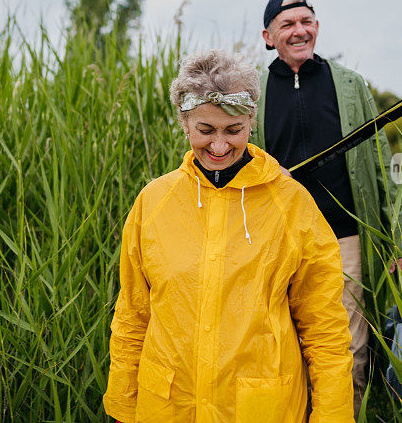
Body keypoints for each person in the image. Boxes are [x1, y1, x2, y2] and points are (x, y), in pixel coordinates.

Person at [103, 49, 355, 422]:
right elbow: (132, 316)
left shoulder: (291, 205)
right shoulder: (153, 201)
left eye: (232, 130)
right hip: (167, 408)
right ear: (184, 123)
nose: (219, 146)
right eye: (205, 131)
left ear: (251, 120)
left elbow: (325, 328)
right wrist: (123, 406)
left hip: (261, 409)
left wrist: (331, 416)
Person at [253, 0, 402, 416]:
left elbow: (381, 163)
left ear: (318, 28)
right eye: (287, 25)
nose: (299, 30)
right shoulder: (252, 91)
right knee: (281, 346)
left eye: (306, 21)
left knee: (348, 349)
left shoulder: (349, 84)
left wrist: (399, 238)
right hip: (278, 242)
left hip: (345, 239)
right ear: (268, 37)